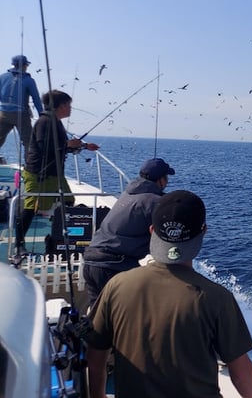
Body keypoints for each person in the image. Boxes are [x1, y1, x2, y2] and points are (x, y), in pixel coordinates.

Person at [86, 190, 252, 398]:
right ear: (203, 231)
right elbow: (241, 375)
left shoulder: (116, 286)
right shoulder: (217, 298)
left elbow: (95, 357)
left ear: (152, 231)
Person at [82, 157, 175, 307]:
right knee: (129, 312)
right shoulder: (154, 202)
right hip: (113, 265)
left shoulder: (127, 194)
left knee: (97, 314)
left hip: (90, 261)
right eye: (166, 177)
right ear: (161, 180)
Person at [16, 90, 99, 255]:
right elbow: (45, 147)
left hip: (55, 174)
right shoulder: (44, 122)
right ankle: (19, 245)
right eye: (68, 105)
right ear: (60, 106)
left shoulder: (56, 122)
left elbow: (60, 147)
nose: (70, 108)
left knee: (68, 201)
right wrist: (69, 144)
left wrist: (83, 146)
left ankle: (58, 237)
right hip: (38, 174)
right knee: (31, 208)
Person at [0, 54, 43, 155]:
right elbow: (36, 100)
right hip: (21, 115)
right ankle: (30, 163)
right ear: (24, 65)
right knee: (29, 142)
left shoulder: (2, 77)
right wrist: (42, 115)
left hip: (3, 114)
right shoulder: (29, 80)